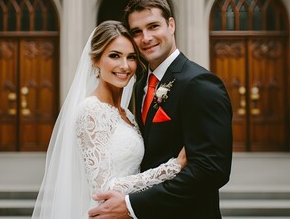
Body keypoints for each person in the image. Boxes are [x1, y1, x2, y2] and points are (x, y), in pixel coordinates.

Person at [88, 0, 233, 219]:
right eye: (136, 31)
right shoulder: (140, 86)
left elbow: (212, 170)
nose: (146, 38)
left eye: (153, 26)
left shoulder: (200, 84)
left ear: (171, 25)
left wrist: (133, 205)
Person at [31, 20, 187, 219]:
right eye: (114, 56)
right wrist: (174, 166)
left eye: (131, 57)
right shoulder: (90, 110)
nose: (124, 66)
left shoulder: (128, 115)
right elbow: (104, 188)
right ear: (95, 60)